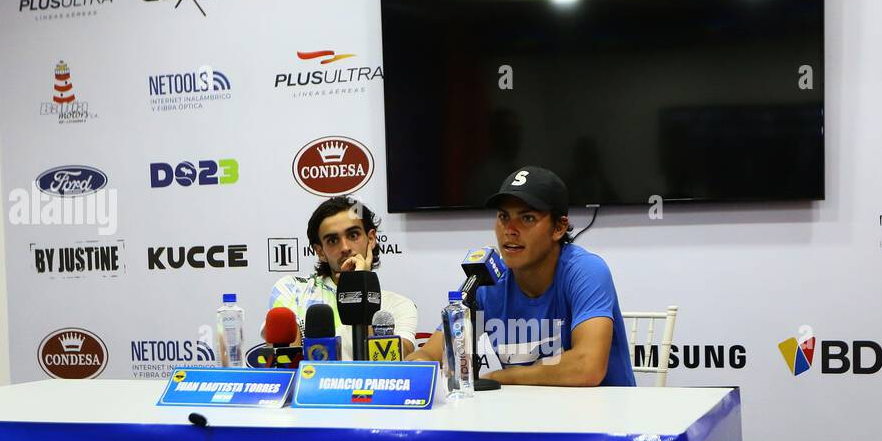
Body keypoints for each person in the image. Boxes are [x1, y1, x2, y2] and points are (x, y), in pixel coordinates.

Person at [407, 166, 635, 387]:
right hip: (528, 416)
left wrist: (504, 377)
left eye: (527, 218)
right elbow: (435, 350)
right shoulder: (487, 278)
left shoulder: (585, 270)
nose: (510, 230)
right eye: (504, 217)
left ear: (559, 228)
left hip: (601, 418)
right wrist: (420, 361)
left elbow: (588, 367)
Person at [267, 196, 418, 359]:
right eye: (332, 240)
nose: (345, 248)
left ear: (371, 239)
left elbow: (398, 361)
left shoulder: (399, 305)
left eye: (353, 235)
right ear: (320, 252)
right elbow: (289, 365)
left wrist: (361, 282)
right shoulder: (292, 290)